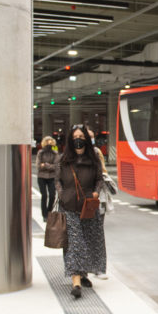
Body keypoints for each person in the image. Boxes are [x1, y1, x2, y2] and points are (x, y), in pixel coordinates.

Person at [55, 124, 107, 299]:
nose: (78, 140)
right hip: (68, 207)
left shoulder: (93, 160)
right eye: (75, 136)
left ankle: (83, 275)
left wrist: (95, 192)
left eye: (82, 137)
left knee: (89, 241)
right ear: (70, 139)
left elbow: (99, 179)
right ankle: (76, 283)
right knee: (75, 243)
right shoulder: (63, 160)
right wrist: (61, 194)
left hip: (88, 206)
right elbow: (58, 181)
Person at [87, 126, 111, 280]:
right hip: (79, 200)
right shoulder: (73, 154)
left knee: (96, 233)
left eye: (90, 136)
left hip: (96, 200)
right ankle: (85, 268)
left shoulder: (95, 152)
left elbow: (101, 174)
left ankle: (99, 268)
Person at [36, 136, 59, 222]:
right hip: (41, 177)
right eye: (47, 142)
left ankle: (49, 212)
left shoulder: (55, 153)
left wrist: (45, 165)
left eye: (50, 142)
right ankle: (44, 215)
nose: (49, 144)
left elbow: (56, 166)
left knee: (52, 195)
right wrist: (50, 166)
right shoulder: (40, 153)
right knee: (44, 196)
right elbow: (38, 166)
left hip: (52, 177)